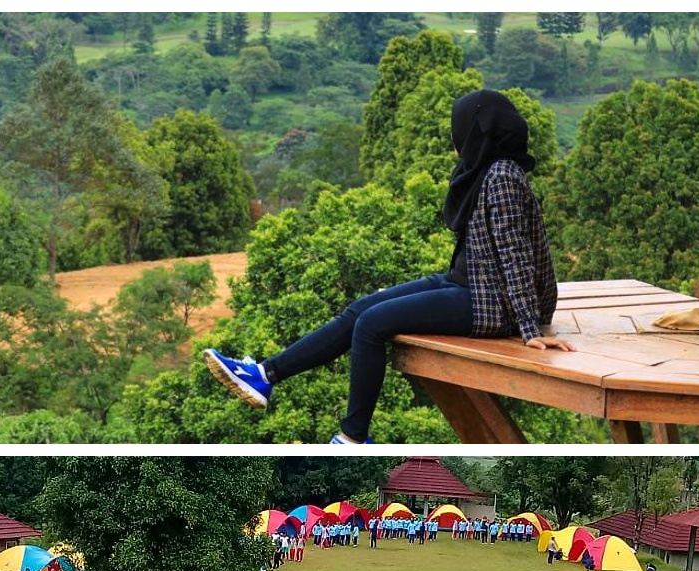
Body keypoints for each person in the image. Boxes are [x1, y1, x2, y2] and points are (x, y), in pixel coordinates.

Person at [203, 89, 568, 443]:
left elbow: (514, 254)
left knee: (371, 325)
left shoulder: (501, 176)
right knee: (361, 308)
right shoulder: (485, 170)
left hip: (492, 302)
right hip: (467, 283)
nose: (455, 139)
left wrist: (528, 326)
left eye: (459, 129)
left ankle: (352, 436)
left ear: (477, 133)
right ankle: (264, 374)